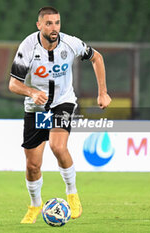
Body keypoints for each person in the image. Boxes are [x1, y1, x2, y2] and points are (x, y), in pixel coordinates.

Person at [8, 6, 111, 224]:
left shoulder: (70, 43)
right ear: (39, 25)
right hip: (36, 108)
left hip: (62, 102)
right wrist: (31, 92)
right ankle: (35, 205)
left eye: (57, 22)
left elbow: (97, 58)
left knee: (58, 146)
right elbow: (13, 84)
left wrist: (102, 92)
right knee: (33, 165)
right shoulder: (27, 47)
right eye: (49, 23)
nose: (54, 28)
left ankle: (72, 193)